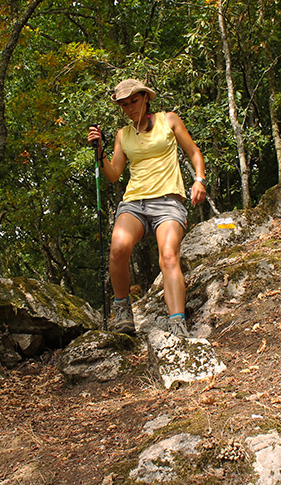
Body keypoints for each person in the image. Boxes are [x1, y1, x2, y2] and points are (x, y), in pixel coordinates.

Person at [88, 79, 207, 338]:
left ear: (145, 98)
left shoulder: (169, 120)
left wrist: (199, 179)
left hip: (168, 201)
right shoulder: (123, 135)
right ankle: (123, 311)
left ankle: (178, 324)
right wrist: (100, 154)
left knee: (168, 256)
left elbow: (194, 152)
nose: (130, 108)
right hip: (135, 203)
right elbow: (113, 174)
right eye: (124, 104)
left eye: (134, 101)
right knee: (118, 248)